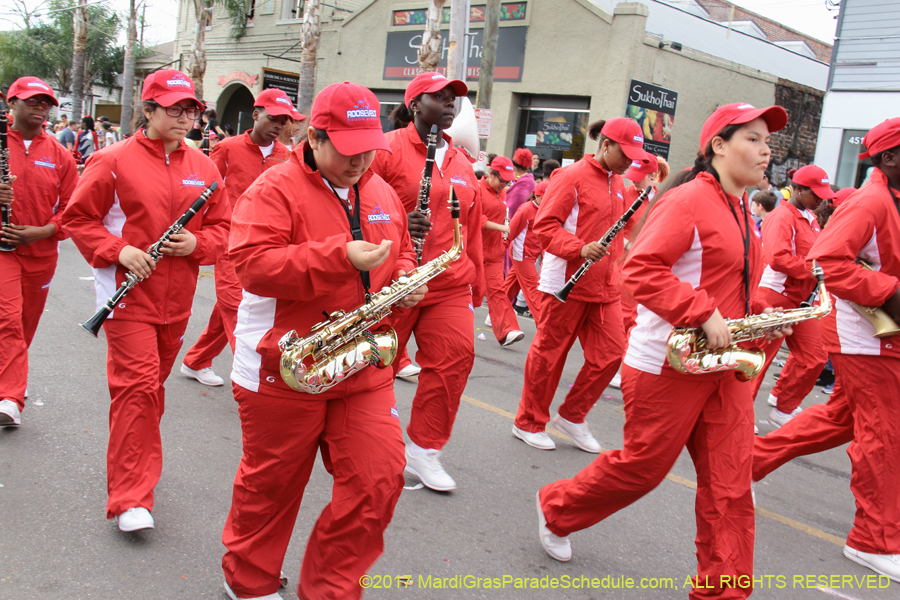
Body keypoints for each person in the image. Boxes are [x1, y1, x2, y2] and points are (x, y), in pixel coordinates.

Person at [535, 103, 790, 599]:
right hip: (666, 364)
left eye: (768, 143)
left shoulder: (741, 207)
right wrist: (701, 311)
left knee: (732, 488)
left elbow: (730, 282)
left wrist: (763, 314)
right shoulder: (689, 200)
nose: (766, 152)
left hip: (723, 367)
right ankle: (558, 508)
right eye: (755, 140)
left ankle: (722, 592)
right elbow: (641, 270)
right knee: (642, 470)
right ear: (719, 145)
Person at [221, 81, 423, 600]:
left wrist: (404, 279)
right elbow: (251, 266)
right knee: (272, 487)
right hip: (284, 364)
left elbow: (400, 252)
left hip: (362, 363)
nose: (361, 163)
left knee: (380, 479)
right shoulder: (272, 188)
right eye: (350, 151)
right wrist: (338, 256)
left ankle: (329, 588)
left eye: (369, 149)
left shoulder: (379, 190)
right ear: (315, 137)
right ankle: (250, 580)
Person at [61, 69, 230, 532]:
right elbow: (78, 219)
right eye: (172, 108)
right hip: (126, 299)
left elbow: (224, 229)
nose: (184, 117)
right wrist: (121, 250)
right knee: (135, 391)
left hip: (176, 303)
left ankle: (135, 467)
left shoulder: (205, 167)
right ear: (148, 110)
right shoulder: (111, 159)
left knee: (150, 393)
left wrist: (199, 246)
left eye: (190, 109)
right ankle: (131, 497)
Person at [369, 71, 485, 491]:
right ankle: (360, 437)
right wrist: (401, 216)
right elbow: (358, 206)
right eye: (441, 97)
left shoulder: (462, 162)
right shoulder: (385, 148)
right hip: (395, 280)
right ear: (416, 104)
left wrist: (480, 284)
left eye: (455, 98)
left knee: (455, 360)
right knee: (372, 363)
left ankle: (424, 451)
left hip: (450, 281)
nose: (452, 103)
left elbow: (469, 228)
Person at [512, 118, 649, 454]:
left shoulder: (618, 182)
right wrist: (580, 248)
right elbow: (544, 227)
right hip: (566, 282)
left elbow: (619, 230)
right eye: (626, 152)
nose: (631, 160)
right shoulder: (571, 177)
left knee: (613, 354)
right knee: (549, 356)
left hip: (604, 287)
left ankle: (572, 416)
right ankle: (528, 421)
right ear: (606, 145)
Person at [806, 116, 900, 581]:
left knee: (840, 420)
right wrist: (889, 290)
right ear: (889, 157)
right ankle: (872, 540)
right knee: (885, 438)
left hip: (885, 337)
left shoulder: (892, 199)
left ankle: (748, 464)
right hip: (868, 338)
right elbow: (825, 261)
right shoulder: (871, 200)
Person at [180, 88, 296, 387]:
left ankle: (195, 361)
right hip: (230, 241)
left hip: (269, 244)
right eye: (274, 118)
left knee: (227, 307)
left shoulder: (287, 156)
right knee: (236, 305)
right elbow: (206, 192)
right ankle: (250, 379)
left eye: (284, 121)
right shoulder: (227, 148)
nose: (279, 126)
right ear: (256, 115)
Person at [0, 77, 78, 428]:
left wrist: (45, 231)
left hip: (41, 253)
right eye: (32, 100)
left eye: (46, 102)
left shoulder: (60, 155)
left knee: (26, 324)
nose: (41, 106)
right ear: (11, 103)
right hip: (3, 251)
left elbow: (75, 212)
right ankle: (11, 398)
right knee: (8, 319)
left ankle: (8, 378)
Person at [751, 164, 834, 428]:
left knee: (815, 356)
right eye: (815, 192)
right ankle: (736, 415)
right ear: (798, 189)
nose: (821, 198)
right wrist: (816, 271)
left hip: (799, 301)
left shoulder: (808, 216)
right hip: (775, 296)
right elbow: (777, 257)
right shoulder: (782, 216)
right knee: (758, 360)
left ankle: (782, 407)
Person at [480, 155, 524, 346]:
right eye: (502, 180)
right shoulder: (478, 190)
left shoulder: (502, 192)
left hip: (494, 252)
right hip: (475, 251)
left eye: (508, 182)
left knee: (498, 291)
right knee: (463, 292)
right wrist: (501, 228)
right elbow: (474, 219)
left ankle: (508, 331)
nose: (504, 185)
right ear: (491, 174)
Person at [503, 180, 547, 323]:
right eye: (544, 197)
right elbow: (511, 230)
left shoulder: (544, 210)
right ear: (537, 195)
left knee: (509, 288)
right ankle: (543, 324)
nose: (547, 201)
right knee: (533, 289)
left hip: (531, 254)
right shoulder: (526, 209)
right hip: (522, 254)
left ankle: (496, 313)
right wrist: (501, 249)